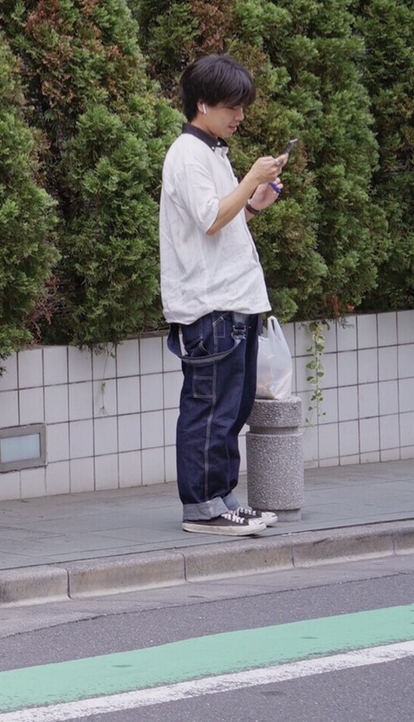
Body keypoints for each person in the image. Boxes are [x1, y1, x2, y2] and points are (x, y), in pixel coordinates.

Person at [160, 53, 283, 537]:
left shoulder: (211, 153)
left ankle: (223, 500)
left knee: (228, 410)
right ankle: (204, 508)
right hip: (210, 307)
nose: (240, 116)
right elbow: (210, 219)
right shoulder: (187, 154)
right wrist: (251, 179)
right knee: (209, 409)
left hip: (231, 302)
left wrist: (253, 205)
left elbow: (219, 224)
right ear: (204, 103)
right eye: (233, 106)